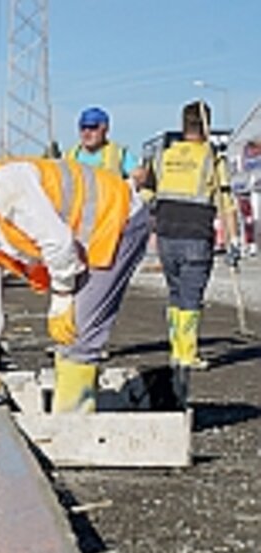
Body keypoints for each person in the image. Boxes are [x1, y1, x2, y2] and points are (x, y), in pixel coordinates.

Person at [0, 158, 148, 413]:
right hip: (83, 242)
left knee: (78, 334)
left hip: (117, 219)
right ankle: (74, 405)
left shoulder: (5, 187)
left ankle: (70, 422)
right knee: (68, 336)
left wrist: (62, 297)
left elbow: (58, 244)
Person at [152, 100, 241, 406]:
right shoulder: (212, 158)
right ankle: (186, 355)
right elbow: (226, 203)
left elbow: (151, 193)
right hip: (195, 235)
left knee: (175, 294)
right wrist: (233, 241)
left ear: (183, 125)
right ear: (206, 126)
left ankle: (177, 350)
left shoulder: (165, 155)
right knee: (191, 296)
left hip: (166, 234)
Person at [66, 107, 141, 181]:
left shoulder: (118, 154)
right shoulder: (68, 156)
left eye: (93, 127)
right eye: (83, 128)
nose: (87, 133)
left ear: (105, 129)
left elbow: (139, 176)